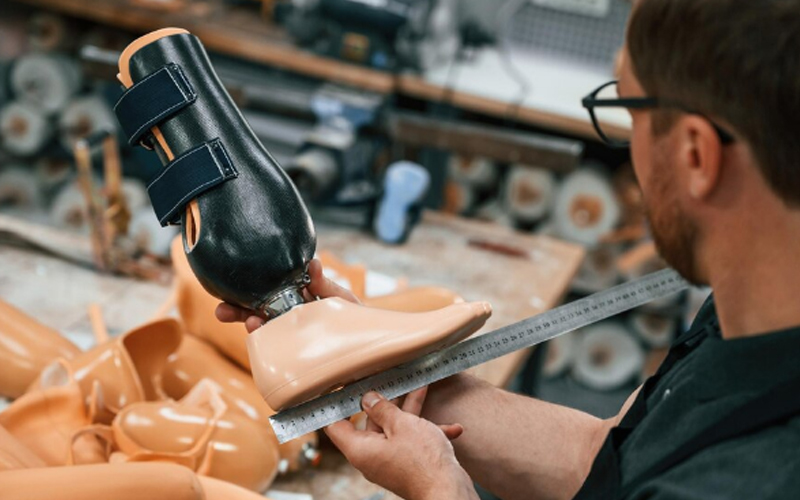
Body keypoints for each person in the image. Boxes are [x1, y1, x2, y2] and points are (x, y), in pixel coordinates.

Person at [217, 0, 800, 498]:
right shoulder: (755, 308)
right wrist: (375, 372)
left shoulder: (746, 481)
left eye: (624, 107)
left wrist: (438, 487)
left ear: (697, 155)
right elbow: (600, 461)